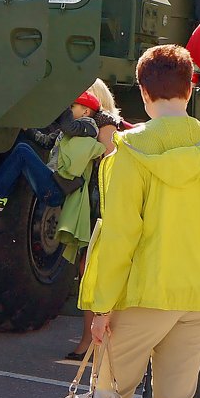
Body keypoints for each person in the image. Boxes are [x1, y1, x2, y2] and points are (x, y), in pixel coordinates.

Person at [80, 44, 200, 398]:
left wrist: (102, 306)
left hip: (144, 295)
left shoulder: (127, 152)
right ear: (190, 88)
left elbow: (120, 235)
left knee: (110, 396)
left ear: (143, 91)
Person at [64, 79, 128, 362]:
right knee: (91, 271)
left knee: (93, 272)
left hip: (100, 206)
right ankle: (92, 341)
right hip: (97, 205)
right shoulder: (104, 124)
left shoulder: (105, 126)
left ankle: (90, 342)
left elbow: (106, 162)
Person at [0, 91, 105, 214]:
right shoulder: (68, 132)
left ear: (86, 111)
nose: (70, 109)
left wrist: (63, 102)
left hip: (56, 187)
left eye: (73, 107)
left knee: (22, 151)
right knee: (21, 147)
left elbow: (69, 127)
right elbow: (45, 141)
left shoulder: (89, 127)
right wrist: (25, 128)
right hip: (52, 183)